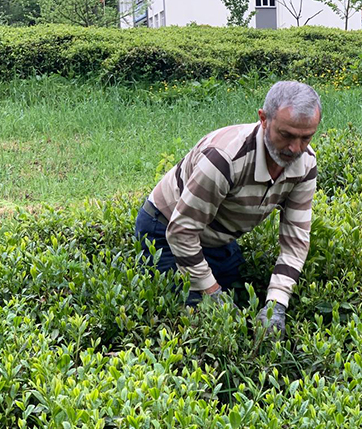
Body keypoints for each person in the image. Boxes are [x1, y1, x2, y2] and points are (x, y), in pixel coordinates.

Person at [135, 81, 320, 336]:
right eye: (286, 135)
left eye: (306, 137)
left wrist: (276, 304)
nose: (295, 149)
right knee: (201, 322)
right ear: (263, 119)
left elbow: (295, 242)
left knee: (241, 301)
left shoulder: (306, 164)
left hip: (217, 233)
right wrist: (211, 293)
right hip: (165, 227)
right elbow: (182, 232)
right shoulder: (224, 159)